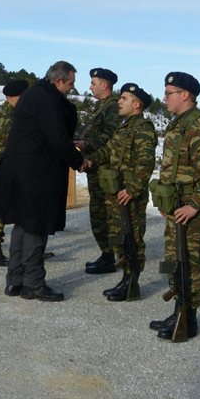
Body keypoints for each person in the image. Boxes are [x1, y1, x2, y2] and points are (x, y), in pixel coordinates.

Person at [0, 61, 86, 302]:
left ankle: (15, 281)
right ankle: (34, 284)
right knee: (36, 227)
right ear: (59, 81)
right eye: (70, 83)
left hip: (20, 172)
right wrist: (78, 161)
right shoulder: (47, 100)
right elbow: (58, 139)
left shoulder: (34, 94)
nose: (72, 88)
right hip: (36, 174)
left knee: (22, 226)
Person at [148, 72, 200, 340]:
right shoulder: (179, 124)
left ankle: (189, 316)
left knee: (190, 260)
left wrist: (194, 206)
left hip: (191, 209)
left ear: (185, 95)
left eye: (169, 93)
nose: (164, 98)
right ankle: (179, 309)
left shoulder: (199, 125)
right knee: (174, 259)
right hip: (176, 206)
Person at [86, 83, 157, 301]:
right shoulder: (125, 127)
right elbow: (108, 150)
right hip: (117, 192)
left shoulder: (143, 128)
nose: (119, 101)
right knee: (119, 236)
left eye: (124, 98)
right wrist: (90, 160)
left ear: (136, 104)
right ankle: (125, 278)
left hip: (129, 195)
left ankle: (131, 282)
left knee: (132, 238)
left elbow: (146, 163)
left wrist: (132, 189)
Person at [76, 68, 121, 275]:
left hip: (106, 170)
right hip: (97, 170)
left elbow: (111, 136)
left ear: (104, 85)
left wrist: (87, 144)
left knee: (107, 215)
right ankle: (107, 254)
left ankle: (113, 256)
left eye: (93, 83)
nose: (90, 87)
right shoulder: (101, 106)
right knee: (99, 214)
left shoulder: (112, 106)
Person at [0, 79, 29, 267]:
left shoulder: (18, 112)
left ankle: (27, 250)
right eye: (22, 96)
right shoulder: (6, 115)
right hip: (2, 166)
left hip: (14, 165)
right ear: (11, 97)